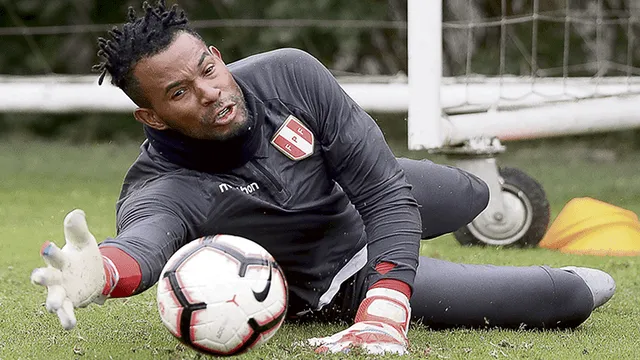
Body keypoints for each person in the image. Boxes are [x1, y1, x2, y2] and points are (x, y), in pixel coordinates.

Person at [31, 1, 616, 355]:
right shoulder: (162, 186)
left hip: (351, 198)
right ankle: (391, 273)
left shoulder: (291, 73)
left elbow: (384, 191)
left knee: (474, 193)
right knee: (568, 294)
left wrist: (388, 252)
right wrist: (103, 271)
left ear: (215, 54)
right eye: (181, 93)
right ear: (152, 116)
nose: (210, 92)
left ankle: (428, 235)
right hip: (335, 275)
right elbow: (144, 244)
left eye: (208, 69)